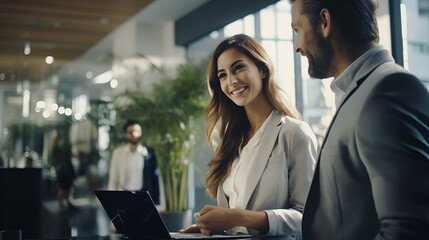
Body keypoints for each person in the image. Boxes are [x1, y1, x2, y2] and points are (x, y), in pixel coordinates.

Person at [290, 0, 429, 239]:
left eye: (297, 30)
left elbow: (408, 229)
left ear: (325, 22)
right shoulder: (361, 90)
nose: (297, 47)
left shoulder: (387, 91)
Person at [180, 34, 317, 237]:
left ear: (262, 69)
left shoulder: (294, 132)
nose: (232, 81)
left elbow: (310, 218)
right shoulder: (231, 141)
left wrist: (236, 217)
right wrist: (215, 226)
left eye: (239, 68)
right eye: (223, 75)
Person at [107, 120, 160, 204]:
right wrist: (110, 201)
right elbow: (113, 179)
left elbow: (154, 179)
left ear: (141, 132)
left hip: (143, 197)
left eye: (137, 131)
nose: (134, 134)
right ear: (125, 134)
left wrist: (157, 202)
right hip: (123, 197)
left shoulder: (148, 153)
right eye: (130, 132)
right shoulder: (118, 153)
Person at [50, 128, 77, 210]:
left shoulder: (60, 145)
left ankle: (67, 202)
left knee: (68, 187)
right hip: (62, 169)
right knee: (62, 187)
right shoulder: (56, 146)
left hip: (66, 169)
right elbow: (56, 159)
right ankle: (61, 203)